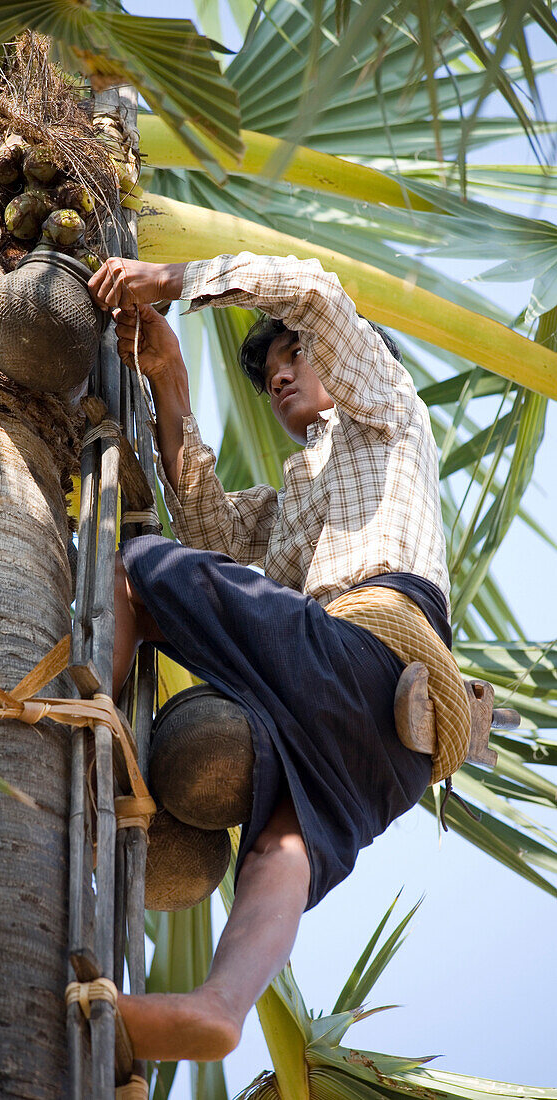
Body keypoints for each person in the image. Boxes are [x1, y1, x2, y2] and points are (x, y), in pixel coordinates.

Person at [87, 252, 452, 1064]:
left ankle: (75, 731)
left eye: (296, 354)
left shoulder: (389, 407)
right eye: (271, 368)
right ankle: (218, 1008)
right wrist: (171, 384)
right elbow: (216, 538)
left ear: (353, 358)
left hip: (371, 645)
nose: (280, 374)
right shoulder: (303, 498)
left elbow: (317, 289)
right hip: (394, 747)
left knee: (136, 573)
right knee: (279, 850)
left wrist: (171, 280)